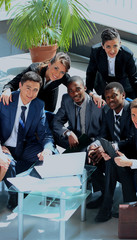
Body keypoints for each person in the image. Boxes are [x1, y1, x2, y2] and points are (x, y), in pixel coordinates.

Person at [0, 71, 57, 210]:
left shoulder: (38, 105)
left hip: (26, 146)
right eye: (28, 88)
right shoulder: (6, 101)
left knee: (52, 156)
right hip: (5, 146)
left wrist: (47, 149)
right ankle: (14, 195)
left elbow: (46, 134)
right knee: (7, 163)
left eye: (35, 90)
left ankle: (30, 188)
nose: (31, 93)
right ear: (20, 85)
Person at [87, 82, 135, 221]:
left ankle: (106, 206)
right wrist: (94, 146)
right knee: (90, 155)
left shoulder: (132, 110)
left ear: (123, 95)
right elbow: (103, 134)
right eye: (107, 97)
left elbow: (132, 140)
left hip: (130, 152)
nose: (110, 100)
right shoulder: (107, 110)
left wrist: (111, 147)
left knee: (110, 161)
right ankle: (103, 194)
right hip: (113, 149)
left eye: (114, 96)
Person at [86, 28, 137, 107]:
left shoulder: (127, 55)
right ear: (103, 46)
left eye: (115, 46)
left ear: (120, 44)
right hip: (105, 81)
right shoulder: (96, 51)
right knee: (106, 106)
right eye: (108, 47)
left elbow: (134, 78)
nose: (112, 51)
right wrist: (89, 93)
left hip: (124, 81)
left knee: (128, 106)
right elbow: (91, 73)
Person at [0, 52, 71, 112]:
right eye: (56, 68)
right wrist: (7, 89)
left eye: (62, 72)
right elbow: (13, 83)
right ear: (49, 64)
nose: (57, 74)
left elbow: (75, 85)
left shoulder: (63, 76)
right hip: (34, 95)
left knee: (48, 117)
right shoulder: (34, 69)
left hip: (50, 95)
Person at [52, 75, 103, 151]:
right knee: (49, 131)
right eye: (71, 91)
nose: (75, 93)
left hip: (92, 142)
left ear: (85, 88)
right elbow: (56, 122)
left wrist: (95, 145)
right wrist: (68, 133)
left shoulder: (97, 104)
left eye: (78, 89)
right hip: (74, 140)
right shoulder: (66, 99)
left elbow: (106, 132)